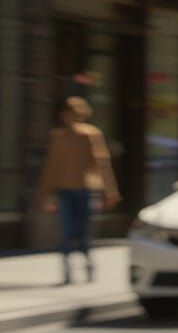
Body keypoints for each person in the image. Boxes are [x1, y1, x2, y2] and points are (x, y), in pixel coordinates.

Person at [36, 96, 121, 284]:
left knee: (85, 231)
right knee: (67, 231)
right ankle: (67, 269)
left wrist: (110, 190)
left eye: (78, 115)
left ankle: (88, 263)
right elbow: (51, 167)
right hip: (64, 190)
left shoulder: (90, 134)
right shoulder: (57, 137)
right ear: (64, 116)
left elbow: (102, 164)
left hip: (87, 190)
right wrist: (45, 195)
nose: (74, 119)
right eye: (71, 114)